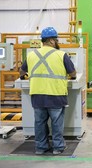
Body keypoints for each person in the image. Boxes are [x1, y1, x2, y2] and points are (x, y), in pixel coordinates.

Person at [20, 27, 76, 155]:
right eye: (56, 39)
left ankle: (41, 148)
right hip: (56, 94)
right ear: (51, 41)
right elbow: (72, 73)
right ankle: (58, 147)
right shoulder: (61, 55)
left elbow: (22, 72)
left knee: (39, 123)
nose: (57, 42)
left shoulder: (31, 55)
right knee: (56, 123)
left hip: (37, 94)